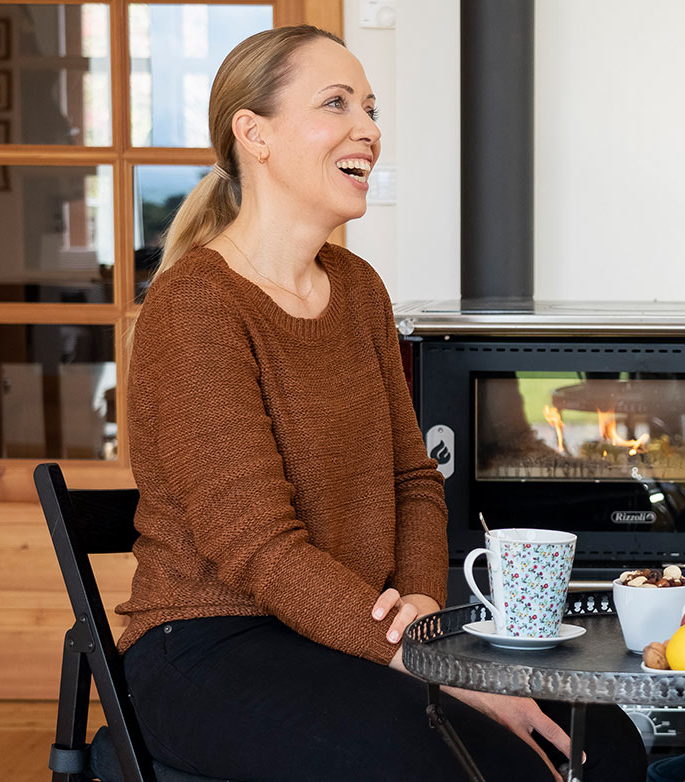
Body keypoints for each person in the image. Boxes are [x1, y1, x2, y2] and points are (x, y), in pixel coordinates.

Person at [118, 26, 645, 782]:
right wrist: (422, 658)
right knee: (484, 763)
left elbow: (412, 479)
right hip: (214, 643)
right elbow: (257, 545)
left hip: (357, 631)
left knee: (610, 744)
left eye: (369, 107)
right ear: (253, 134)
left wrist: (425, 614)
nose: (367, 128)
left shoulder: (357, 288)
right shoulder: (196, 306)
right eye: (336, 104)